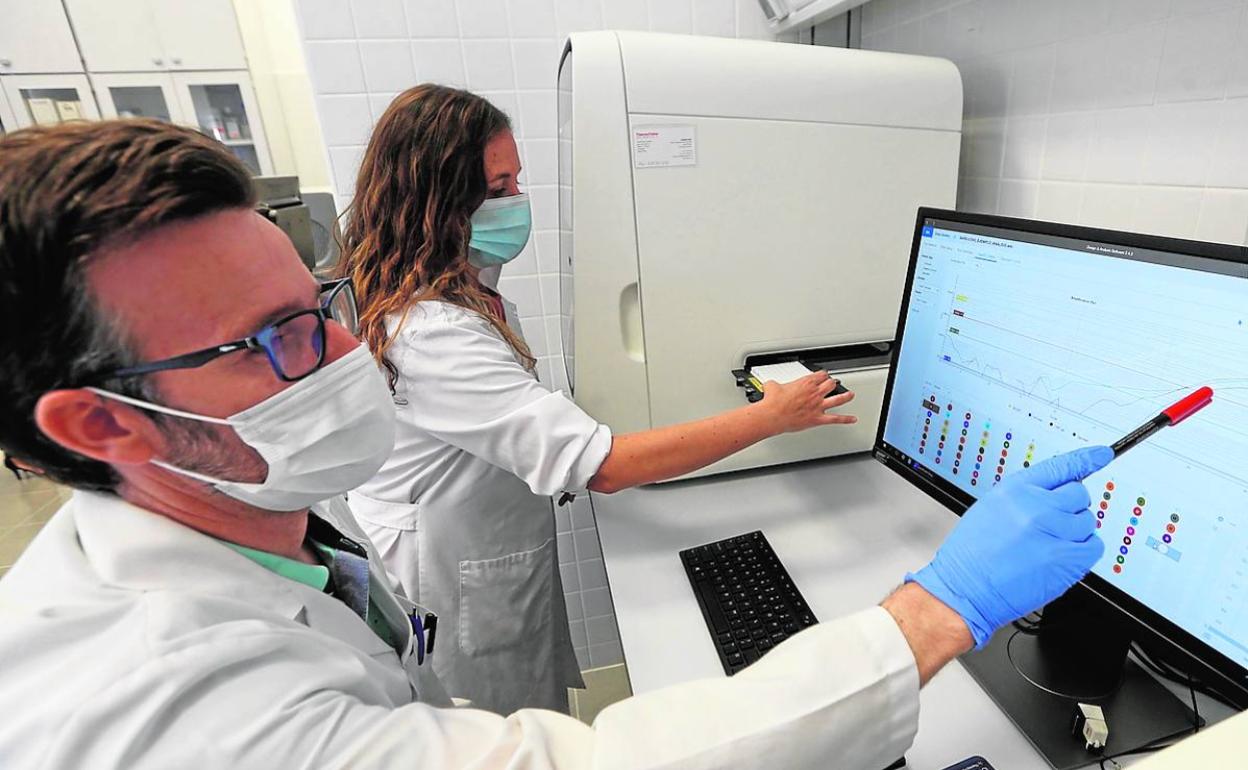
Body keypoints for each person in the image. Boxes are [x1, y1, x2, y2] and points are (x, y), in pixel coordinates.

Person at [0, 119, 1112, 770]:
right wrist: (935, 609)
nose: (344, 351)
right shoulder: (186, 713)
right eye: (280, 340)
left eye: (318, 302)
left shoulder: (242, 529)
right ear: (104, 422)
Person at [339, 84, 858, 714]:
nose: (516, 203)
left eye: (515, 184)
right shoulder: (431, 333)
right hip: (454, 581)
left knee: (530, 718)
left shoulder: (463, 298)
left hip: (487, 556)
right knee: (498, 742)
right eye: (498, 190)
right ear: (438, 202)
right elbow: (602, 468)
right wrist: (771, 417)